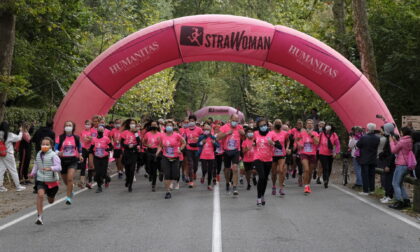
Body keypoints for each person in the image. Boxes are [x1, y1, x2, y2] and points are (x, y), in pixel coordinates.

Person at [29, 137, 61, 225]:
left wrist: (50, 168)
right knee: (40, 195)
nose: (45, 146)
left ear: (51, 146)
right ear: (40, 145)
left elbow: (59, 167)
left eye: (47, 144)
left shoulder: (54, 155)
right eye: (43, 144)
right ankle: (39, 216)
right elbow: (36, 165)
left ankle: (50, 196)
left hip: (52, 181)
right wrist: (33, 173)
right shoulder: (38, 154)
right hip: (40, 179)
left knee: (51, 201)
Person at [55, 121, 83, 205]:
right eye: (66, 125)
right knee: (66, 181)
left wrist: (80, 155)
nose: (68, 126)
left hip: (73, 160)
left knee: (70, 178)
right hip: (62, 161)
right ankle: (71, 188)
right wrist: (58, 153)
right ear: (64, 127)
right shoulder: (60, 137)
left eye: (70, 125)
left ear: (73, 127)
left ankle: (68, 198)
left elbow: (79, 147)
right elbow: (55, 148)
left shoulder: (76, 138)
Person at [156, 121, 186, 199]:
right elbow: (160, 145)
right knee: (167, 175)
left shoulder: (177, 135)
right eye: (167, 125)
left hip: (175, 158)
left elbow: (184, 143)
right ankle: (168, 191)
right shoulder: (162, 136)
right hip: (165, 157)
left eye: (170, 125)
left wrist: (180, 149)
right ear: (165, 127)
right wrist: (158, 151)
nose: (169, 127)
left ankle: (164, 175)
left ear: (173, 127)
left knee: (175, 175)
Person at [217, 114, 245, 195]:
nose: (235, 122)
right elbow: (218, 137)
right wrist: (226, 133)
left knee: (235, 168)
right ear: (230, 119)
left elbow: (244, 138)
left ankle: (235, 187)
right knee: (227, 169)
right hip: (226, 151)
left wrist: (243, 134)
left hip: (236, 150)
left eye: (236, 121)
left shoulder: (239, 127)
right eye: (233, 120)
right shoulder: (225, 127)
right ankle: (227, 182)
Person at [388, 127, 413, 209]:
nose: (400, 133)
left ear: (403, 132)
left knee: (395, 183)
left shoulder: (402, 141)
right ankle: (406, 200)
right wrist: (395, 141)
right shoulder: (410, 140)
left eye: (401, 132)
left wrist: (391, 142)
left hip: (401, 164)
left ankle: (399, 202)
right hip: (407, 164)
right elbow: (401, 148)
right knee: (400, 184)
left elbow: (394, 150)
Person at [253, 118, 275, 206]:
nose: (263, 127)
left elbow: (279, 146)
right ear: (258, 126)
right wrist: (253, 143)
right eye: (261, 126)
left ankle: (262, 195)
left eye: (264, 125)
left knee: (265, 178)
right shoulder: (255, 133)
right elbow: (251, 141)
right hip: (258, 158)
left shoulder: (271, 134)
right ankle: (258, 197)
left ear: (267, 125)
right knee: (261, 177)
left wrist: (272, 143)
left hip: (268, 159)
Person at [0, 122, 26, 192]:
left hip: (1, 153)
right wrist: (21, 131)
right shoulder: (9, 135)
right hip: (8, 154)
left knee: (1, 169)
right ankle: (18, 186)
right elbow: (19, 138)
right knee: (13, 170)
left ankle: (0, 187)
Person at [296, 119, 319, 194]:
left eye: (311, 123)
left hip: (312, 154)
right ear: (306, 125)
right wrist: (299, 144)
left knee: (310, 171)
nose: (309, 125)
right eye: (308, 123)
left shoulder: (315, 133)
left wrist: (311, 135)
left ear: (313, 125)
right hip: (304, 153)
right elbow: (297, 140)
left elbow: (317, 142)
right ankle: (306, 186)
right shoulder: (302, 133)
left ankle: (308, 184)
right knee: (306, 169)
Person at [356, 123, 380, 195]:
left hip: (364, 158)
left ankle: (365, 190)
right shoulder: (377, 138)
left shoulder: (364, 137)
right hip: (373, 158)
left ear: (368, 129)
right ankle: (372, 189)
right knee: (372, 175)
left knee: (365, 175)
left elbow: (358, 145)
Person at [89, 124, 113, 193]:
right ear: (97, 131)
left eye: (101, 129)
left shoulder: (106, 139)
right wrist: (91, 152)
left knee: (103, 172)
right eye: (98, 129)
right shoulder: (94, 139)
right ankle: (99, 186)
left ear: (103, 130)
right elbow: (91, 148)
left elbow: (111, 147)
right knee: (98, 172)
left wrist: (107, 150)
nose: (100, 130)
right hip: (96, 157)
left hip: (104, 157)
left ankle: (107, 179)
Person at [121, 119, 141, 192]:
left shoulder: (137, 132)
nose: (132, 125)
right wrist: (127, 146)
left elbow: (139, 142)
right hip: (127, 152)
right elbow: (121, 143)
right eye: (131, 123)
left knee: (132, 169)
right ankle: (127, 180)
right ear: (129, 125)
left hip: (134, 152)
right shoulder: (125, 132)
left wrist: (135, 133)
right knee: (127, 169)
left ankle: (130, 185)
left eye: (134, 123)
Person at [318, 123, 340, 188]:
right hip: (322, 153)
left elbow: (337, 144)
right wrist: (317, 148)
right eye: (326, 129)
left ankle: (327, 178)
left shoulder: (334, 134)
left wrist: (336, 152)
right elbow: (317, 142)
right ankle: (325, 180)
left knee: (329, 167)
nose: (327, 131)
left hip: (331, 153)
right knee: (325, 167)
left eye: (329, 129)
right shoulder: (321, 134)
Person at [270, 120, 290, 196]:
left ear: (281, 125)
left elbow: (288, 141)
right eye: (277, 123)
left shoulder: (285, 133)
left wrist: (287, 147)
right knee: (274, 172)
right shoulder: (271, 133)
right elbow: (268, 142)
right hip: (273, 154)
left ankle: (281, 188)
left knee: (281, 170)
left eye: (279, 123)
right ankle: (274, 186)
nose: (278, 124)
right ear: (274, 124)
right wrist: (271, 143)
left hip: (282, 154)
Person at [198, 124, 219, 190]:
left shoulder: (213, 137)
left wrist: (214, 143)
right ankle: (203, 176)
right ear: (203, 130)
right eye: (205, 129)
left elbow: (218, 145)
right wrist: (202, 142)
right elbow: (198, 144)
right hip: (203, 155)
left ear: (210, 130)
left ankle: (209, 184)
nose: (206, 131)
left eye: (208, 129)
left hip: (211, 156)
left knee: (210, 170)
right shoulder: (201, 137)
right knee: (204, 169)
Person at [378, 126, 395, 204]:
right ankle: (386, 194)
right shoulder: (387, 138)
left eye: (382, 129)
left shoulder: (391, 139)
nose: (381, 130)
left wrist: (388, 164)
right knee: (385, 179)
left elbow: (391, 153)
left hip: (389, 163)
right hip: (386, 161)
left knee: (388, 179)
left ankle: (389, 196)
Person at [143, 120, 162, 191]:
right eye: (152, 125)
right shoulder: (147, 134)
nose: (154, 126)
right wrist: (148, 145)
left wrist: (157, 153)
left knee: (155, 169)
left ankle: (153, 184)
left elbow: (161, 145)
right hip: (149, 152)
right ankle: (150, 174)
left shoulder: (160, 134)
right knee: (149, 167)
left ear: (157, 126)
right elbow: (143, 142)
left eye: (155, 125)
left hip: (157, 151)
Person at [185, 115, 203, 187]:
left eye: (193, 121)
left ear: (195, 121)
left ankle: (194, 172)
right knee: (190, 164)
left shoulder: (199, 129)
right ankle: (191, 181)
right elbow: (184, 139)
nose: (191, 122)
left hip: (197, 149)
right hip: (189, 148)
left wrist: (198, 140)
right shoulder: (186, 130)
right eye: (190, 121)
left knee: (195, 165)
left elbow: (202, 138)